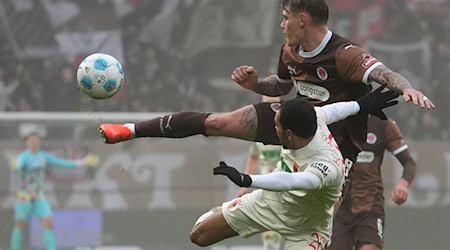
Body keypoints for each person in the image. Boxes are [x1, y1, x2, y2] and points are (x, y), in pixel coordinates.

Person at [99, 0, 434, 174]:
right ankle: (129, 130)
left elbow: (385, 74)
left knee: (314, 223)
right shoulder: (289, 51)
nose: (281, 24)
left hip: (334, 147)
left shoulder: (345, 55)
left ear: (302, 19)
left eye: (286, 16)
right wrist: (256, 84)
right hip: (294, 121)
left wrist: (407, 88)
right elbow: (281, 86)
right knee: (216, 122)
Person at [189, 85, 398, 249]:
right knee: (199, 235)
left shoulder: (328, 164)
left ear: (289, 134)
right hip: (271, 203)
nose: (273, 128)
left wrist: (248, 180)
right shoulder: (314, 118)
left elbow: (293, 180)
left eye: (277, 126)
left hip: (307, 227)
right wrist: (362, 105)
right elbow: (336, 110)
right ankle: (224, 211)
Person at [327, 115, 417, 250]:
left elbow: (409, 163)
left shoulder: (383, 124)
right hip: (338, 206)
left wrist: (402, 184)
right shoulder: (336, 119)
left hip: (370, 206)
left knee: (370, 248)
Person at [10, 132, 100, 250]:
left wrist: (82, 162)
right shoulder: (24, 157)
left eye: (36, 140)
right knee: (20, 225)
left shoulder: (43, 156)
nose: (34, 142)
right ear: (27, 143)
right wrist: (17, 165)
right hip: (24, 196)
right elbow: (18, 165)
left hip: (38, 196)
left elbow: (62, 163)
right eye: (31, 140)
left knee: (48, 222)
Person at [236, 95, 283, 250]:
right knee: (270, 238)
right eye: (266, 105)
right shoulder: (258, 132)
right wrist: (244, 186)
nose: (270, 109)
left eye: (274, 105)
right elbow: (254, 157)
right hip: (267, 189)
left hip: (289, 187)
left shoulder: (288, 129)